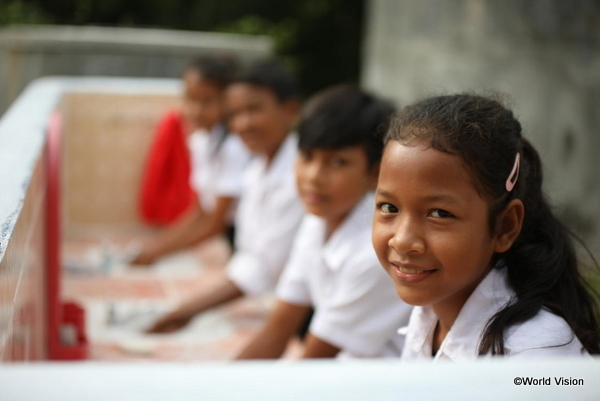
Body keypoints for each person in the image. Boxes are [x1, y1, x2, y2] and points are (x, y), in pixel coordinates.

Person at [372, 94, 600, 360]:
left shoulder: (534, 354)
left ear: (504, 226)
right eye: (389, 208)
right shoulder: (430, 313)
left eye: (439, 213)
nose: (401, 241)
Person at [237, 85, 412, 359]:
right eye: (307, 157)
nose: (313, 177)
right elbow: (278, 330)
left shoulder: (375, 253)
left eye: (338, 162)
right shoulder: (317, 221)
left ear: (375, 173)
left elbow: (314, 360)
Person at [146, 60, 304, 333]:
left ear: (289, 110)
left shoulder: (299, 178)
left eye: (254, 110)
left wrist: (186, 311)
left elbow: (263, 267)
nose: (242, 124)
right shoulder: (256, 169)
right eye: (234, 114)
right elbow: (250, 254)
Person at [134, 56, 251, 264]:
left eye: (207, 101)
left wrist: (156, 254)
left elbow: (215, 225)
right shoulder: (201, 140)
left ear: (228, 101)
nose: (196, 110)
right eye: (190, 99)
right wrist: (153, 247)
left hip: (245, 239)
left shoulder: (234, 147)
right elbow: (198, 213)